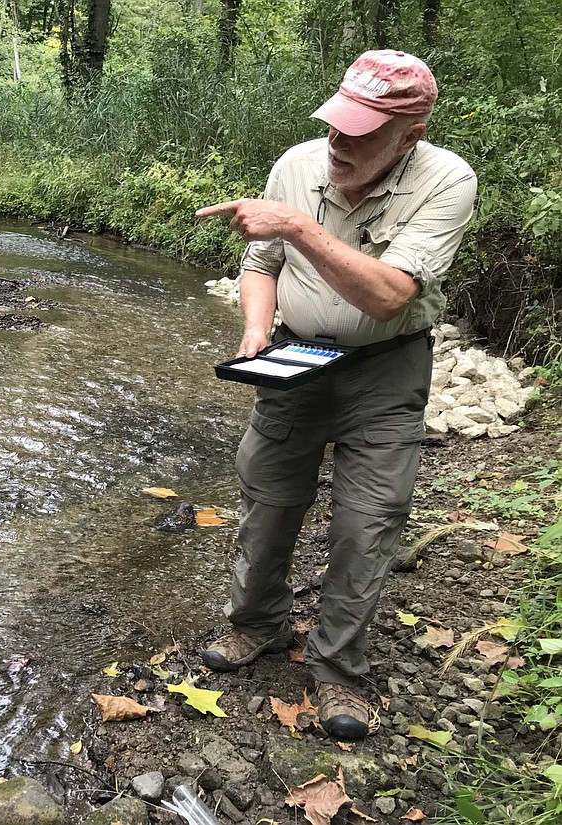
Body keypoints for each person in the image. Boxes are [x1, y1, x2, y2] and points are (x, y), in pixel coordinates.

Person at [194, 51, 477, 740]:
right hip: (294, 356)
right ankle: (256, 622)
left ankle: (339, 669)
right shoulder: (296, 164)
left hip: (386, 370)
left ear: (409, 135)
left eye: (362, 131)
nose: (338, 143)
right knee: (267, 496)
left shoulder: (448, 181)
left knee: (367, 521)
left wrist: (296, 226)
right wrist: (257, 331)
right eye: (335, 124)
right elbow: (257, 265)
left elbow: (387, 298)